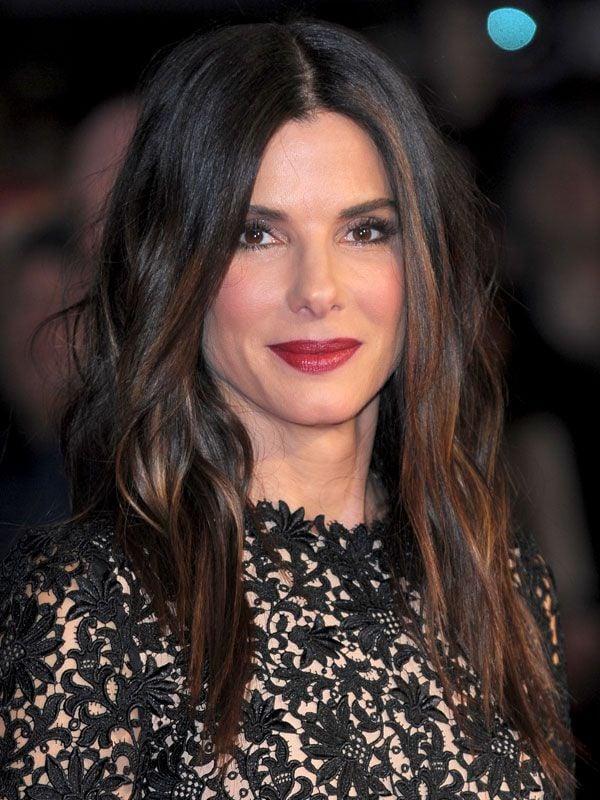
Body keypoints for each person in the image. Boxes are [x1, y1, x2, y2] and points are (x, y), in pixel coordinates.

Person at [0, 18, 578, 799]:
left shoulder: (496, 578)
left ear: (421, 261)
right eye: (256, 235)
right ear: (178, 266)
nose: (318, 289)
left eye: (365, 231)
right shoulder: (90, 609)